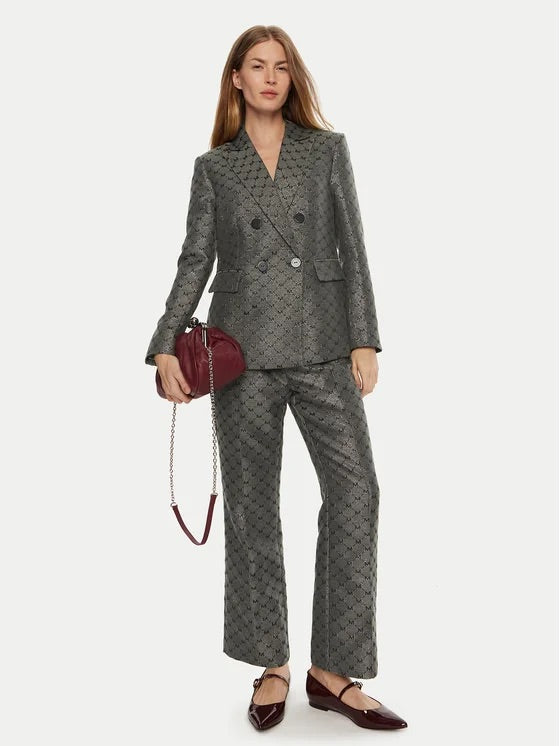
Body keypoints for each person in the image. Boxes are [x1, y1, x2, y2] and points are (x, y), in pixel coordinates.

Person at [145, 25, 407, 732]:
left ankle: (333, 672)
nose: (269, 77)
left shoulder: (326, 150)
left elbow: (354, 246)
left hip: (323, 345)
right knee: (253, 510)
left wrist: (364, 338)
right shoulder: (214, 167)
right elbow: (195, 259)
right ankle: (271, 665)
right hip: (243, 352)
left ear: (292, 79)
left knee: (357, 491)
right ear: (236, 78)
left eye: (281, 67)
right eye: (256, 66)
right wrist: (167, 342)